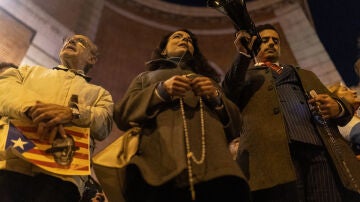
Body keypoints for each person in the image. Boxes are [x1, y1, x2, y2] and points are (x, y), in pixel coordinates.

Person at [222, 23, 360, 202]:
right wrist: (243, 55)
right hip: (272, 156)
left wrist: (338, 107)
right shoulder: (244, 76)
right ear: (255, 45)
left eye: (276, 41)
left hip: (319, 150)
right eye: (265, 40)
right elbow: (227, 94)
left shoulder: (305, 74)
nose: (272, 43)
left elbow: (336, 103)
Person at [112, 29, 250, 202]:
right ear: (163, 51)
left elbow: (237, 126)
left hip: (217, 169)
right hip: (157, 169)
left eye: (189, 40)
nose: (184, 39)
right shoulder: (145, 78)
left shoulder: (210, 82)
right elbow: (121, 114)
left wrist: (216, 98)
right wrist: (160, 92)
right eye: (177, 36)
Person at [0, 34, 113, 202]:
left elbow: (103, 123)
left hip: (63, 176)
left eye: (81, 42)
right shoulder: (27, 71)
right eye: (67, 40)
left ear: (92, 59)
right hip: (13, 161)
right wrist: (33, 109)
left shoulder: (100, 94)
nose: (71, 41)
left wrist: (72, 113)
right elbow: (5, 88)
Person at [328, 82, 360, 159]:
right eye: (345, 90)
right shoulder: (345, 124)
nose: (354, 92)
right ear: (336, 101)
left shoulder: (355, 116)